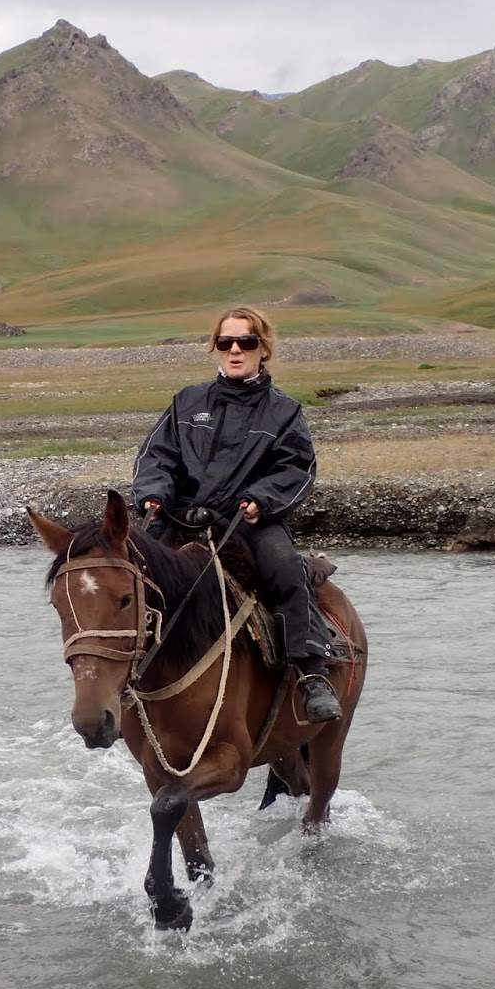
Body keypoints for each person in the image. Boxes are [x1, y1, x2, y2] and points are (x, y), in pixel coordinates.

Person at [131, 305, 343, 724]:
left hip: (247, 519)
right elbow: (157, 457)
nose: (235, 350)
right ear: (215, 347)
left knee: (284, 567)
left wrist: (263, 497)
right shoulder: (187, 402)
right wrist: (153, 495)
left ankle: (312, 673)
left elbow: (296, 467)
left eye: (246, 341)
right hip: (182, 514)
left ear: (263, 349)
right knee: (130, 570)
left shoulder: (283, 410)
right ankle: (125, 673)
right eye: (225, 341)